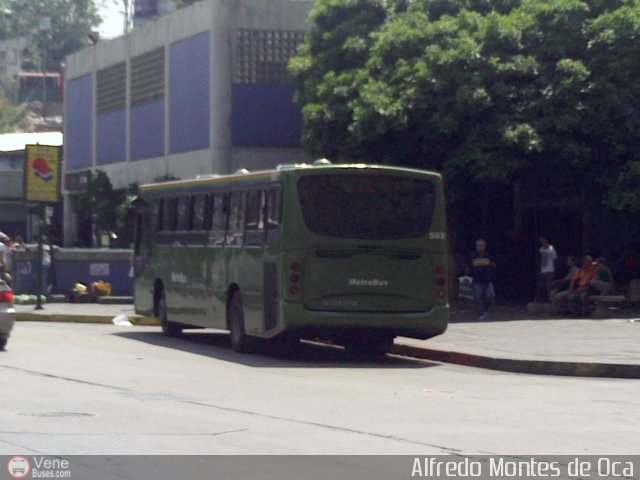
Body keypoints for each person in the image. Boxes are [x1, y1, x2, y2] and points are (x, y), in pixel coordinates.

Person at [468, 238, 496, 320]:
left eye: (480, 245)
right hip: (476, 279)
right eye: (477, 245)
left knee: (491, 296)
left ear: (484, 246)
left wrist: (490, 264)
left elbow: (494, 264)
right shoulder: (472, 255)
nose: (479, 247)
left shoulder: (488, 255)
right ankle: (480, 314)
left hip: (487, 279)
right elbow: (468, 265)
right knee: (478, 297)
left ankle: (485, 309)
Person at [534, 236, 557, 303]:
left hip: (550, 269)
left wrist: (554, 269)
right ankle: (539, 299)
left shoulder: (551, 248)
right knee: (541, 285)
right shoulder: (541, 249)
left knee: (549, 286)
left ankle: (551, 300)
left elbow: (554, 259)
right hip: (543, 269)